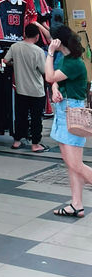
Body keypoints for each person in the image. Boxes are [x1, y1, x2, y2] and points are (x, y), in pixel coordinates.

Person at [45, 27, 92, 218]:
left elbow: (49, 76)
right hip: (64, 110)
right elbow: (56, 78)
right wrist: (56, 89)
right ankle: (76, 204)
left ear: (58, 42)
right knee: (71, 164)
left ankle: (76, 204)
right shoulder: (68, 59)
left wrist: (49, 53)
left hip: (72, 112)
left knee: (75, 164)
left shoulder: (73, 62)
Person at [4, 23, 49, 153]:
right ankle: (35, 144)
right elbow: (43, 70)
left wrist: (15, 64)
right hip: (37, 91)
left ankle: (17, 141)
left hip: (21, 89)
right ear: (36, 36)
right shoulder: (39, 51)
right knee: (36, 119)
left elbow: (5, 61)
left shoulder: (15, 47)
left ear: (24, 34)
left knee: (20, 116)